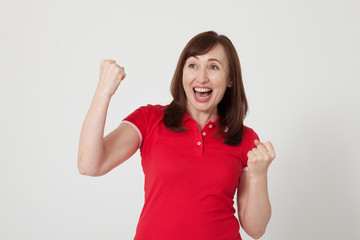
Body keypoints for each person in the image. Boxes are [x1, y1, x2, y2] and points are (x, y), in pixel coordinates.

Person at [77, 31, 276, 240]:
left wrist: (258, 174)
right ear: (182, 73)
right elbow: (89, 165)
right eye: (193, 65)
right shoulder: (150, 119)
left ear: (230, 79)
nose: (201, 77)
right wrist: (103, 92)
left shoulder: (244, 137)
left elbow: (256, 229)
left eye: (214, 67)